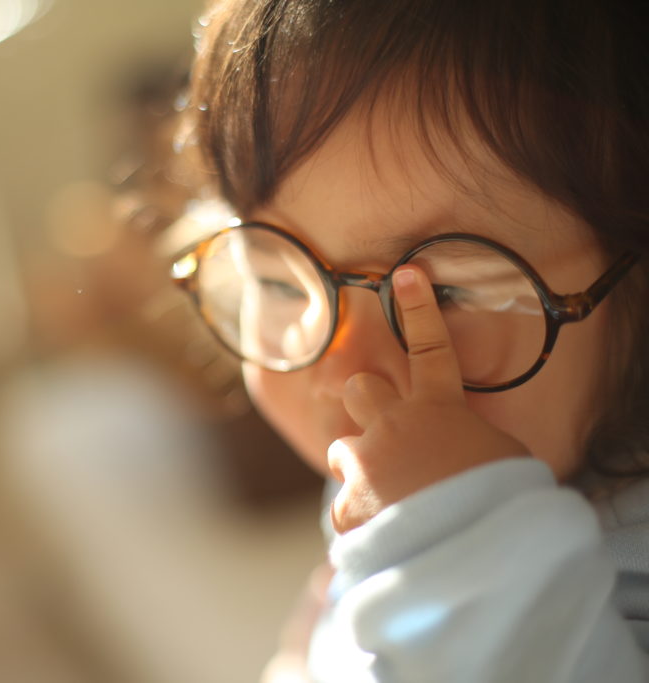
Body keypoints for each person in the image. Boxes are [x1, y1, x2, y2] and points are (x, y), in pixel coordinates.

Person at [171, 0, 649, 680]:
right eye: (279, 283)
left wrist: (458, 546)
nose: (348, 375)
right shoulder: (404, 474)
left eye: (445, 296)